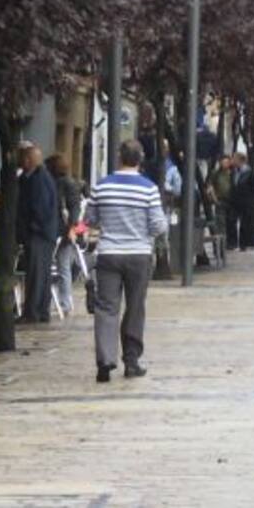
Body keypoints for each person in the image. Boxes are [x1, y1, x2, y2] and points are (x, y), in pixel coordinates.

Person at [86, 139, 168, 382]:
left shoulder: (102, 187)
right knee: (135, 307)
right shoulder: (149, 189)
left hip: (108, 253)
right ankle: (131, 361)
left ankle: (105, 361)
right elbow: (158, 225)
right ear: (140, 160)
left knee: (106, 308)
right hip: (139, 255)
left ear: (119, 157)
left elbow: (90, 218)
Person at [17, 145, 59, 323]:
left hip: (40, 234)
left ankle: (34, 311)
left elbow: (40, 207)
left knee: (37, 273)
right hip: (43, 233)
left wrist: (34, 227)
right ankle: (39, 310)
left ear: (27, 160)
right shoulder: (37, 177)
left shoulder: (38, 179)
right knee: (40, 273)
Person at [47, 154, 83, 315]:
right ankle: (65, 302)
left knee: (62, 266)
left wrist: (71, 228)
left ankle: (64, 302)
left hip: (61, 230)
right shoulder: (69, 183)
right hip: (65, 230)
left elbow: (74, 208)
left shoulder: (62, 184)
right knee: (63, 267)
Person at [230, 152, 254, 250]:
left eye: (234, 159)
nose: (232, 161)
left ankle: (244, 244)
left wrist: (248, 197)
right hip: (235, 202)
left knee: (245, 224)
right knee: (232, 221)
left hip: (246, 202)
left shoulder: (249, 172)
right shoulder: (234, 172)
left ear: (240, 160)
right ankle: (233, 243)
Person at [207, 154, 236, 248]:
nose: (225, 164)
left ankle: (231, 243)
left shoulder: (233, 173)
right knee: (221, 223)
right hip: (220, 201)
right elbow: (210, 186)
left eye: (227, 162)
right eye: (223, 162)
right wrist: (215, 199)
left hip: (231, 201)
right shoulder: (215, 173)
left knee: (231, 222)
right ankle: (222, 243)